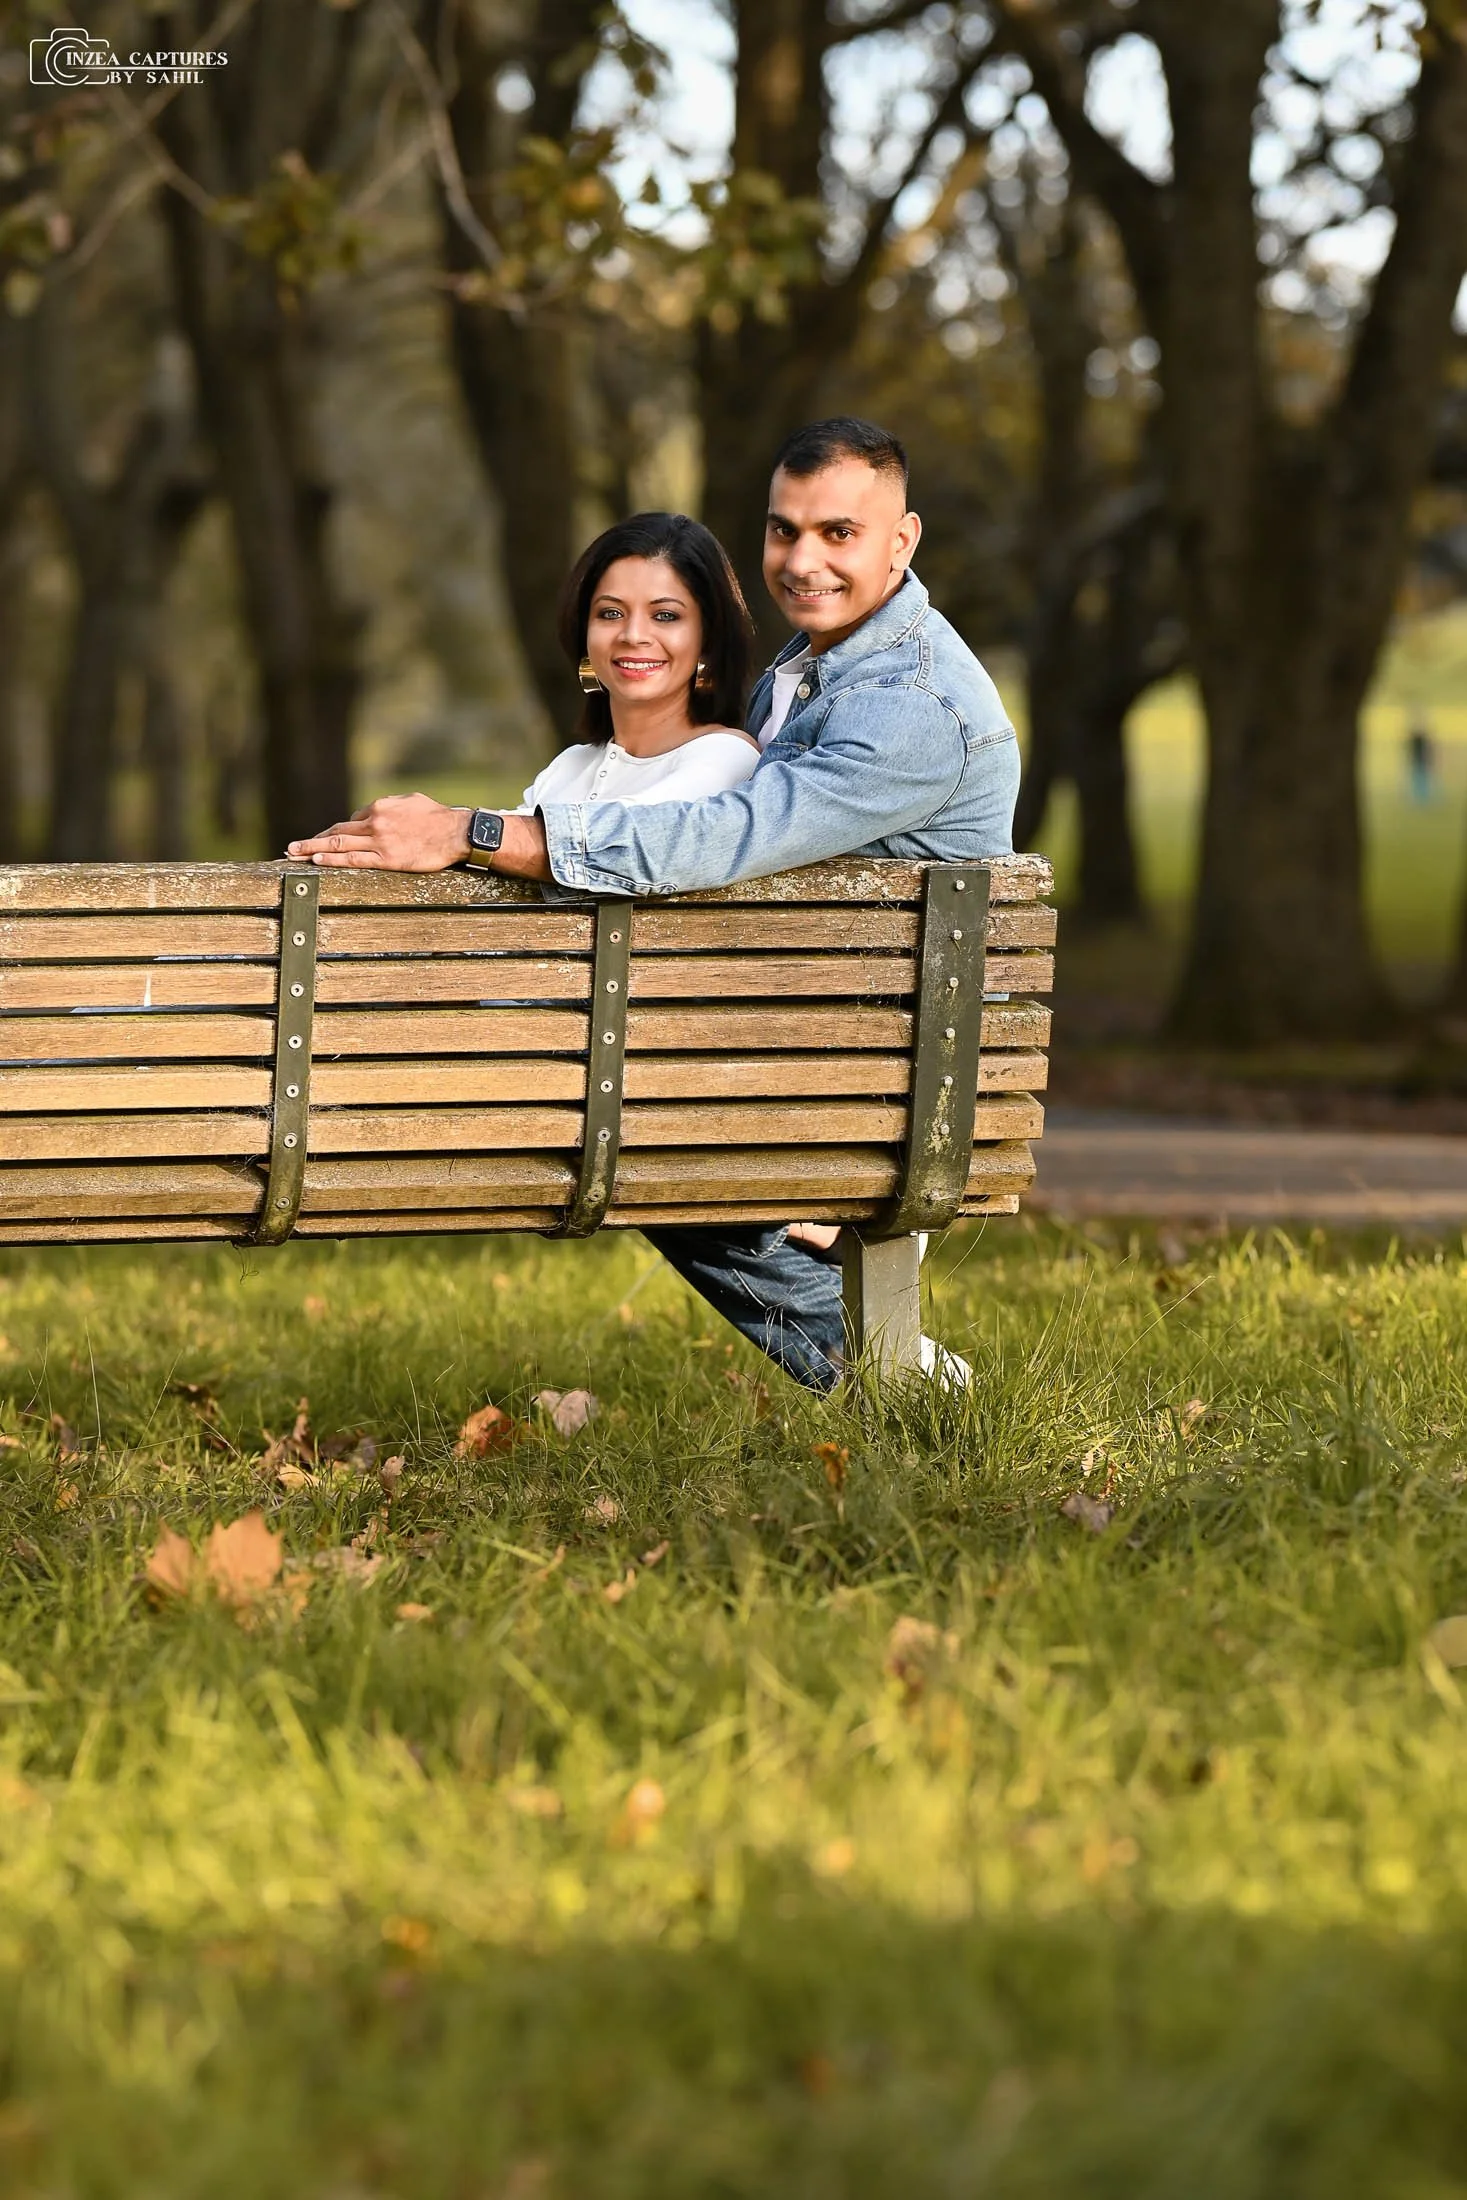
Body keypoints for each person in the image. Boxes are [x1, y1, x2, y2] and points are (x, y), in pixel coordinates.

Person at [289, 417, 1021, 1392]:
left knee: (639, 1145)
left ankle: (915, 1392)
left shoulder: (908, 706)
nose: (803, 559)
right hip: (814, 1057)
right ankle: (894, 1384)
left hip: (874, 1084)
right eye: (783, 530)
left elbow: (726, 836)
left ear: (904, 539)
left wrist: (477, 832)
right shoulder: (807, 679)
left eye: (838, 532)